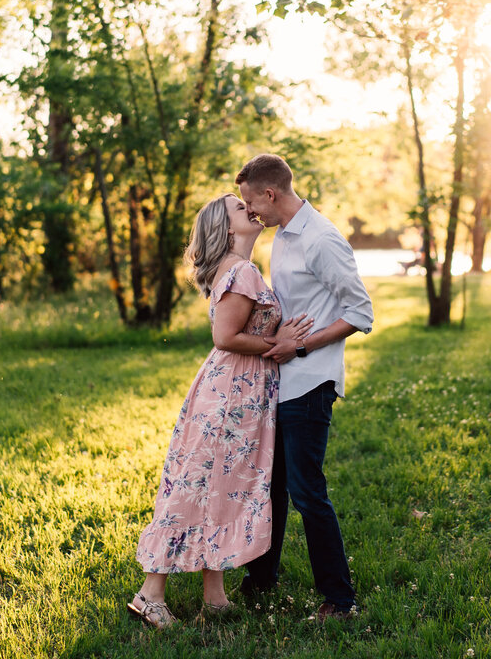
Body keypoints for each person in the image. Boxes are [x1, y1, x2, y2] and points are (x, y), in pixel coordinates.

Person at [129, 193, 313, 629]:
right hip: (230, 396)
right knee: (196, 485)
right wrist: (279, 343)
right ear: (228, 227)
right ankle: (149, 595)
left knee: (222, 487)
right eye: (237, 207)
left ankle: (215, 595)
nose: (249, 207)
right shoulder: (242, 271)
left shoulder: (241, 270)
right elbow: (225, 336)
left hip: (242, 394)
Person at [236, 154, 374, 622]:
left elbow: (359, 313)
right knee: (270, 486)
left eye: (251, 202)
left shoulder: (321, 238)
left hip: (310, 381)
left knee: (306, 490)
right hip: (280, 380)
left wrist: (299, 347)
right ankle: (261, 578)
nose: (250, 211)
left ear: (270, 194)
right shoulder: (282, 238)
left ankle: (340, 600)